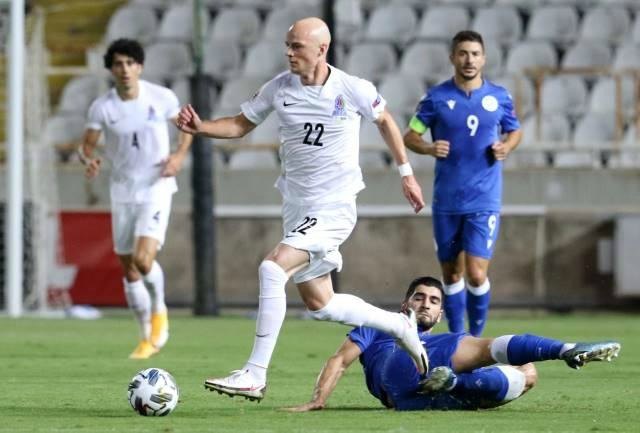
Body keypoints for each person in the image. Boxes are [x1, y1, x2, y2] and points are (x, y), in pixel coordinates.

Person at [176, 17, 428, 402]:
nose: (289, 53)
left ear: (322, 49)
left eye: (297, 46)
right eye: (287, 45)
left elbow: (386, 122)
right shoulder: (279, 88)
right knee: (321, 303)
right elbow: (240, 125)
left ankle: (255, 374)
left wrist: (406, 174)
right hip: (297, 208)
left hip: (333, 207)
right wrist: (201, 127)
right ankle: (399, 325)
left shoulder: (352, 88)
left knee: (272, 267)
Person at [285, 276, 621, 412]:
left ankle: (451, 384)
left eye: (433, 300)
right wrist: (319, 399)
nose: (425, 304)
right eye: (419, 297)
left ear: (440, 314)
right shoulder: (381, 324)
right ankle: (565, 349)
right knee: (486, 349)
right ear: (405, 305)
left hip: (407, 401)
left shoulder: (434, 338)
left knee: (527, 374)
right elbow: (340, 360)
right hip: (398, 366)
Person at [78, 38, 192, 359]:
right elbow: (86, 146)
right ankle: (145, 337)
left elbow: (186, 127)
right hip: (122, 190)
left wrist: (178, 156)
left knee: (143, 260)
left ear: (140, 67)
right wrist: (89, 161)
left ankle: (159, 312)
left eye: (130, 63)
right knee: (129, 269)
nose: (125, 69)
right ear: (111, 69)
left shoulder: (162, 97)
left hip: (157, 186)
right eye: (118, 64)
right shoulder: (103, 107)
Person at [403, 30, 523, 336]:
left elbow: (515, 130)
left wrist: (507, 146)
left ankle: (476, 338)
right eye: (463, 53)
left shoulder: (499, 97)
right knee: (451, 273)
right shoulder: (435, 98)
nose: (469, 60)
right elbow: (410, 136)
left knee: (476, 273)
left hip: (484, 198)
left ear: (484, 58)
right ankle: (458, 338)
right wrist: (428, 148)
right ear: (453, 58)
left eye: (475, 54)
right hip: (447, 200)